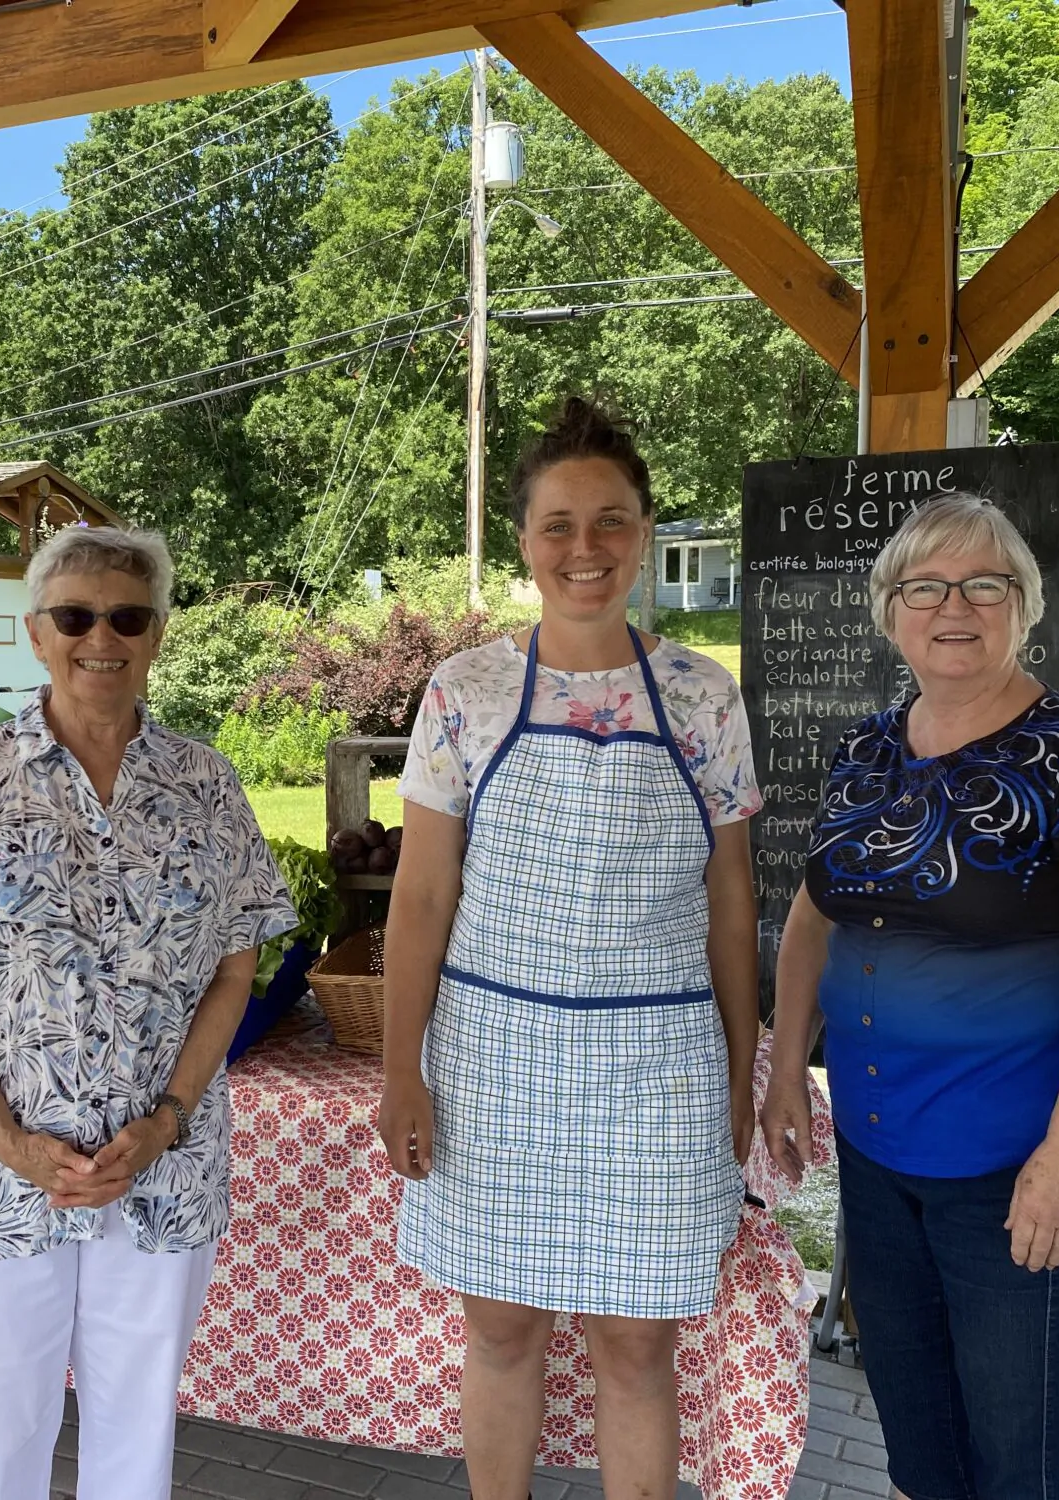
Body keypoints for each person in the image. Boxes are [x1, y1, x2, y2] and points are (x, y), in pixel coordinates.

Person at [0, 525, 297, 1500]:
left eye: (127, 616)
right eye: (75, 615)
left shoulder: (205, 784)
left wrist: (167, 1119)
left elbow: (233, 972)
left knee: (135, 1448)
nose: (103, 636)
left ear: (157, 633)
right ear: (38, 632)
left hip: (160, 1169)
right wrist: (8, 1140)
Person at [377, 397, 764, 1500]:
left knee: (633, 1345)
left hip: (654, 1067)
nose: (583, 549)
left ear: (643, 532)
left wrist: (738, 1075)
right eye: (557, 524)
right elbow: (420, 895)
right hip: (490, 1059)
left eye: (609, 522)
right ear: (522, 541)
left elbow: (728, 902)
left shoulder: (701, 696)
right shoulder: (466, 691)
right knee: (500, 1331)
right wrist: (400, 1068)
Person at [760, 494, 1059, 1500]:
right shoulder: (864, 751)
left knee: (1020, 1450)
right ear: (888, 609)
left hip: (1013, 1167)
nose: (954, 605)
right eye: (923, 586)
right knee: (914, 1428)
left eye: (983, 583)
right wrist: (782, 1073)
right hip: (875, 1156)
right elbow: (814, 914)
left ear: (1022, 605)